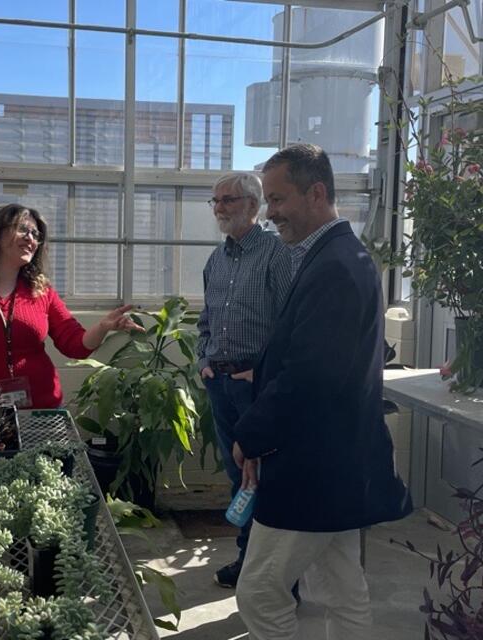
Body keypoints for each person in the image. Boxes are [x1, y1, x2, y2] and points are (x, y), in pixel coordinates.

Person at [233, 144, 413, 640]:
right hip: (336, 464)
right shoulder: (340, 257)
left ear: (316, 193)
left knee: (259, 590)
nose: (270, 214)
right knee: (342, 588)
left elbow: (308, 376)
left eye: (278, 199)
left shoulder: (335, 266)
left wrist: (250, 434)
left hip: (312, 467)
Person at [0, 203, 142, 409]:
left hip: (42, 408)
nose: (31, 239)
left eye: (36, 234)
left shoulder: (41, 290)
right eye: (23, 229)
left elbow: (75, 345)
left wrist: (102, 327)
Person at [196, 171, 290, 588]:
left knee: (268, 476)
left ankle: (281, 575)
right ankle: (249, 559)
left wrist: (264, 371)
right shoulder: (216, 260)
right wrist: (204, 361)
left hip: (259, 387)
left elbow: (291, 325)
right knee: (238, 476)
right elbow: (206, 320)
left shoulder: (276, 255)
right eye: (215, 201)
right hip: (221, 384)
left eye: (228, 200)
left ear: (253, 206)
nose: (219, 208)